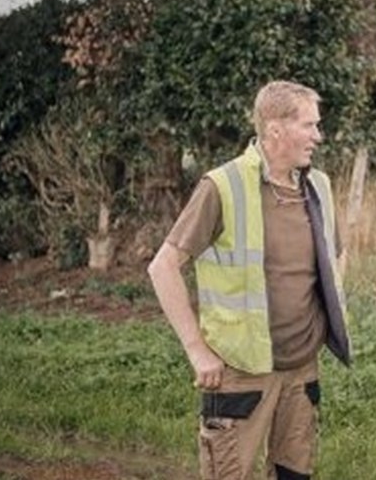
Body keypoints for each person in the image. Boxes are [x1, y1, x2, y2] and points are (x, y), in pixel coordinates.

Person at [147, 80, 351, 480]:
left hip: (301, 369)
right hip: (240, 367)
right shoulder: (222, 185)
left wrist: (324, 322)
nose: (318, 136)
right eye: (309, 126)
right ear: (275, 129)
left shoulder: (319, 186)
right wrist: (197, 351)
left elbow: (336, 254)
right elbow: (163, 266)